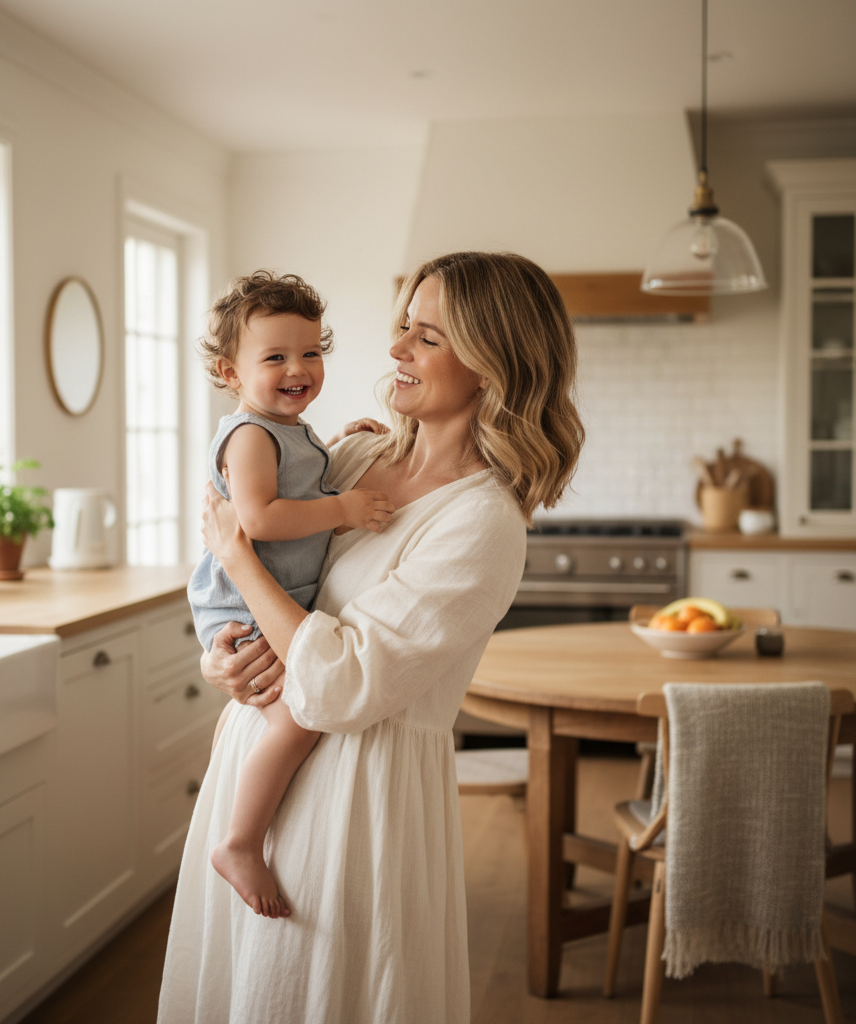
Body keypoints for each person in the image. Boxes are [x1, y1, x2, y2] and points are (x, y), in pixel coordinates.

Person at [158, 251, 585, 1024]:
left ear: (491, 364)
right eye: (402, 329)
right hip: (253, 759)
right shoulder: (353, 458)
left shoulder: (482, 522)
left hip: (353, 802)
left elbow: (341, 684)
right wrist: (219, 658)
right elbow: (258, 575)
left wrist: (234, 557)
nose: (396, 351)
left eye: (425, 336)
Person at [187, 270, 394, 919]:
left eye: (310, 353)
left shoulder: (292, 431)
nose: (297, 368)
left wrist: (331, 452)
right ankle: (241, 843)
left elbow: (291, 485)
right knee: (297, 716)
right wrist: (345, 506)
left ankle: (242, 834)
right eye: (274, 357)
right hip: (243, 603)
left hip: (274, 595)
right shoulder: (249, 434)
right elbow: (261, 520)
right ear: (230, 371)